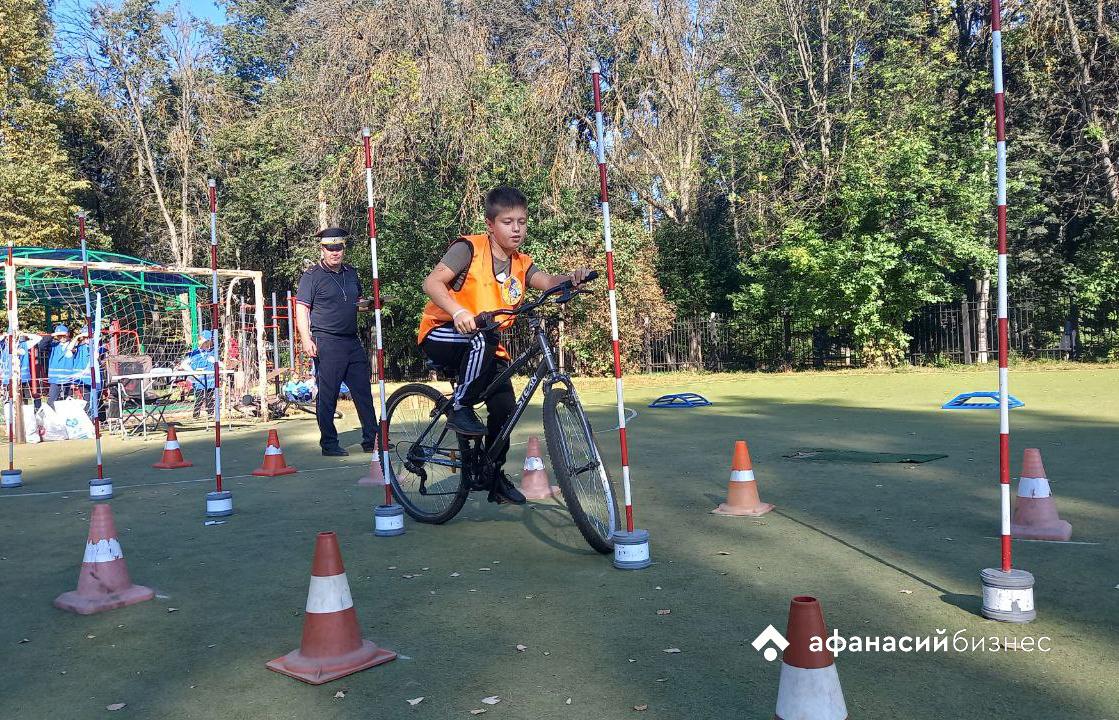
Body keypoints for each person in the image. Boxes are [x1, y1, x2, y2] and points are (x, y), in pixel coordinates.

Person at [417, 185, 592, 504]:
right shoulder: (468, 249)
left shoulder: (521, 263)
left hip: (484, 343)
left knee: (505, 407)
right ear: (490, 224)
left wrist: (572, 278)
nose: (516, 229)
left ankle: (492, 474)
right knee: (482, 338)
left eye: (522, 222)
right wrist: (458, 311)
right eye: (508, 222)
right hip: (443, 331)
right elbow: (432, 282)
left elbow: (548, 282)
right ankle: (460, 407)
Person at [295, 227, 379, 456]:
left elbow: (357, 304)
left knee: (363, 391)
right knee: (328, 394)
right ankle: (329, 444)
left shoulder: (351, 273)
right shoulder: (311, 276)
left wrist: (371, 304)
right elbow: (302, 308)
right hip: (326, 340)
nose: (335, 252)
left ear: (344, 248)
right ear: (322, 249)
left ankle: (372, 439)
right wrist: (306, 339)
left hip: (351, 340)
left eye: (338, 248)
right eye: (330, 248)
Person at [37, 325, 82, 408]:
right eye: (59, 336)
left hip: (68, 378)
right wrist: (52, 335)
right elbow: (41, 346)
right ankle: (52, 415)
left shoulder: (73, 345)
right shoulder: (53, 346)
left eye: (64, 335)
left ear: (68, 334)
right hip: (55, 379)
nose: (62, 337)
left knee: (67, 401)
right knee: (51, 401)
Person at [178, 330, 217, 419]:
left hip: (210, 380)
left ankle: (210, 415)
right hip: (199, 380)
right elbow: (184, 364)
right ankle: (196, 415)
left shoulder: (212, 352)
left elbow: (216, 362)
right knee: (199, 398)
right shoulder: (195, 353)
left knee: (210, 397)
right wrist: (193, 372)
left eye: (204, 340)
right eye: (201, 339)